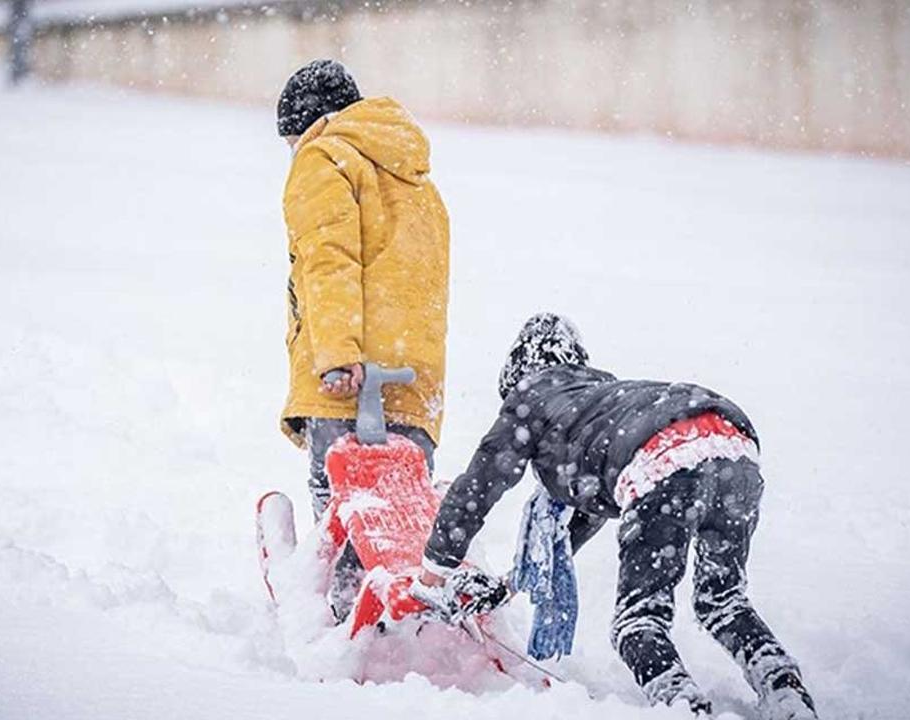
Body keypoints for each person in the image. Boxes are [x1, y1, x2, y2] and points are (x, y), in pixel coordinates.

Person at [412, 314, 818, 720]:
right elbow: (577, 524)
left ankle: (687, 708)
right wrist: (507, 586)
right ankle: (784, 691)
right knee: (723, 601)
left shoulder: (532, 396)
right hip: (733, 447)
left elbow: (477, 488)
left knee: (638, 623)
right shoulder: (603, 403)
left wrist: (432, 575)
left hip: (664, 459)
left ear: (517, 373)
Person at [276, 60, 450, 618]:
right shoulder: (415, 176)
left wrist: (337, 354)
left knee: (342, 507)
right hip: (415, 380)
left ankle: (334, 617)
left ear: (310, 124)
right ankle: (397, 618)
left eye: (290, 140)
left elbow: (329, 262)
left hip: (349, 374)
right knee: (396, 519)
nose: (291, 152)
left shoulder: (323, 157)